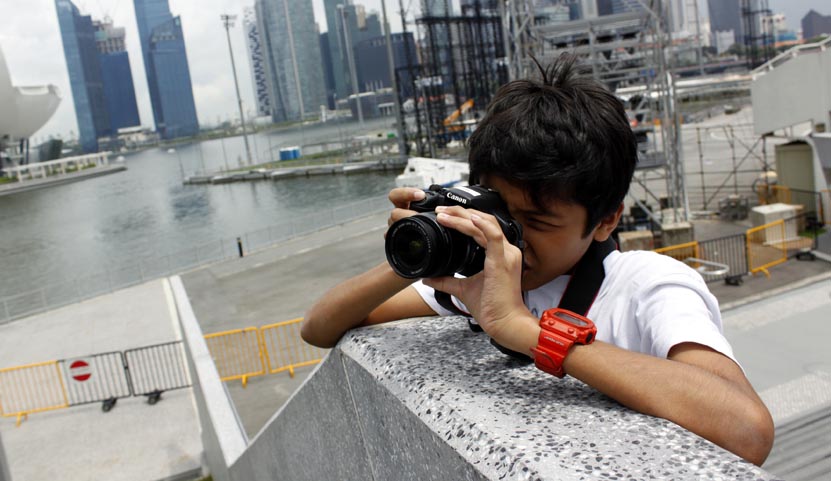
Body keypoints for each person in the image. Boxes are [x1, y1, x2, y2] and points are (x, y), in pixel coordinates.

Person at [301, 53, 774, 466]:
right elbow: (318, 327)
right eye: (499, 214)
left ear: (607, 220)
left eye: (538, 222)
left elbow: (747, 431)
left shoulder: (649, 285)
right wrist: (422, 248)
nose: (510, 238)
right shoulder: (486, 277)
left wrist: (524, 329)